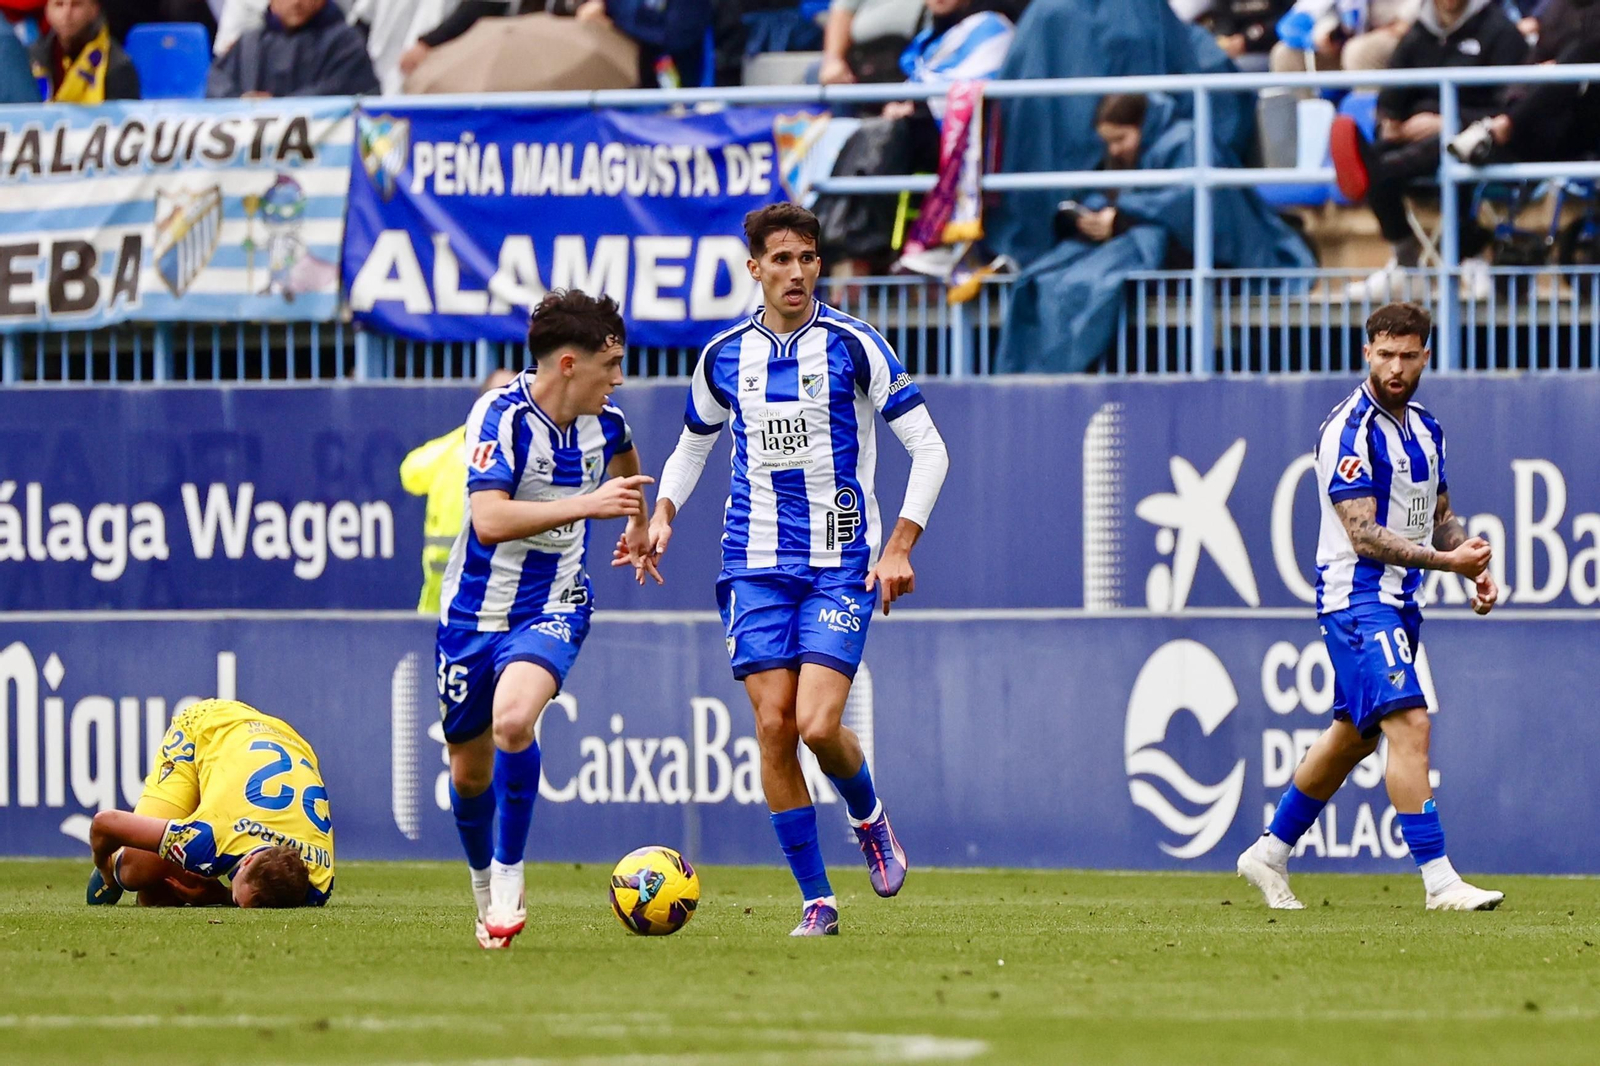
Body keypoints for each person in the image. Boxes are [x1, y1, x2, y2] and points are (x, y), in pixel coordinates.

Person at [633, 203, 950, 937]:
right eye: (781, 259)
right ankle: (817, 899)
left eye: (807, 257)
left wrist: (899, 545)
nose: (797, 272)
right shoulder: (721, 357)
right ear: (755, 269)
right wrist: (663, 516)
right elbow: (691, 446)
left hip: (840, 563)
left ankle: (869, 816)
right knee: (774, 726)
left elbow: (930, 450)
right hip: (754, 563)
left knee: (817, 722)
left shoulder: (855, 345)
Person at [1237, 301, 1503, 913]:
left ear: (1425, 357)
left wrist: (1471, 561)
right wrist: (1450, 565)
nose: (1396, 367)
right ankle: (1441, 883)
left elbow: (1437, 517)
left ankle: (1270, 851)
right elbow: (1364, 535)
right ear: (1367, 353)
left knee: (1353, 738)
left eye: (1408, 356)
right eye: (1385, 354)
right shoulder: (1348, 430)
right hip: (1356, 597)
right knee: (1411, 724)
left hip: (1401, 600)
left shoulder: (1427, 429)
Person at [435, 290, 653, 950]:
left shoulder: (606, 423)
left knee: (512, 719)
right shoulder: (499, 417)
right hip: (473, 612)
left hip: (555, 604)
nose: (618, 380)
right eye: (609, 365)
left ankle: (508, 878)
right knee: (468, 773)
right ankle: (482, 887)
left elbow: (628, 469)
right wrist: (590, 506)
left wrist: (639, 527)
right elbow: (490, 520)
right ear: (567, 363)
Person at [996, 91, 1315, 373]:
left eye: (1121, 139)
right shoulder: (1126, 155)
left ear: (1142, 125)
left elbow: (1191, 208)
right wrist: (1085, 217)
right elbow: (1112, 195)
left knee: (1083, 280)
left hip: (1196, 254)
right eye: (1108, 142)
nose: (1115, 150)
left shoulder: (1185, 139)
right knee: (1044, 277)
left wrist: (1121, 219)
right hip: (1132, 244)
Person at [1327, 0, 1526, 301]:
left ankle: (1469, 254)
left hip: (1477, 137)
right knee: (1378, 152)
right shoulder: (1418, 33)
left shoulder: (1502, 33)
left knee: (1446, 152)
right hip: (1414, 136)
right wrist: (1391, 121)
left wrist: (1450, 121)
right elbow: (1392, 92)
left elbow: (1512, 109)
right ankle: (1407, 267)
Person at [85, 698, 334, 909]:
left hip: (288, 739)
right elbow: (104, 824)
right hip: (206, 728)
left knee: (164, 893)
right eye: (237, 898)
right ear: (246, 861)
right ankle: (115, 870)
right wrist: (105, 870)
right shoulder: (212, 838)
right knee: (139, 870)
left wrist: (223, 896)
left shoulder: (319, 879)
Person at [400, 369, 517, 616]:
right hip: (445, 603)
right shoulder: (458, 449)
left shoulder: (524, 452)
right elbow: (410, 474)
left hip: (495, 601)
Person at [1448, 0, 1600, 169]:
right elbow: (1537, 58)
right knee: (1448, 139)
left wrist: (1511, 121)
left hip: (1573, 124)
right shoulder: (1558, 8)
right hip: (1531, 115)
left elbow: (1580, 55)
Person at [206, 0, 381, 98]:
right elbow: (217, 85)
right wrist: (242, 101)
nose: (296, 2)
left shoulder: (345, 42)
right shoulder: (248, 44)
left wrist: (276, 106)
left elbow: (341, 89)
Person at [28, 0, 141, 102]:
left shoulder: (118, 66)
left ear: (94, 10)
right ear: (47, 11)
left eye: (76, 5)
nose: (67, 13)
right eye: (59, 4)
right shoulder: (32, 59)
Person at [1270, 0, 1420, 73]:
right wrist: (1315, 39)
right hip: (1343, 45)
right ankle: (1302, 127)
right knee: (1284, 53)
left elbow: (1406, 25)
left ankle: (1373, 126)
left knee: (1359, 51)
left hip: (1400, 39)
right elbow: (1294, 21)